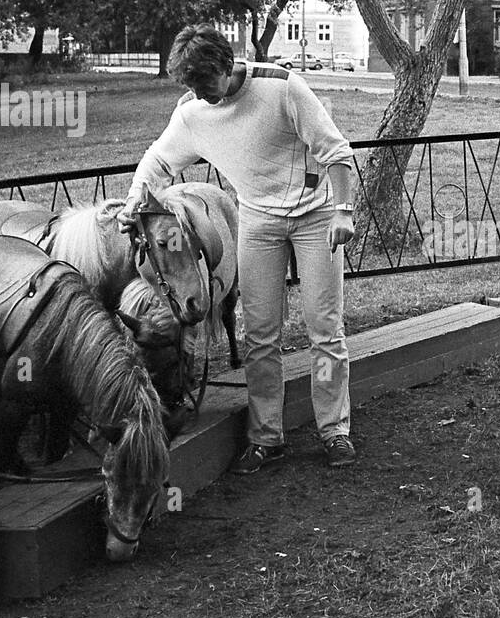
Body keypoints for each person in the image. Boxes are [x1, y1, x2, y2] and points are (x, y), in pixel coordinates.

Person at [117, 24, 358, 472]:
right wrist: (135, 201)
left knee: (324, 329)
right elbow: (158, 161)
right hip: (259, 220)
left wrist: (344, 210)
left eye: (203, 81)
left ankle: (334, 431)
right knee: (260, 335)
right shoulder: (192, 112)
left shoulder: (283, 89)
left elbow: (336, 152)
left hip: (316, 216)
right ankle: (267, 436)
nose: (197, 92)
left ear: (226, 66)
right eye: (188, 84)